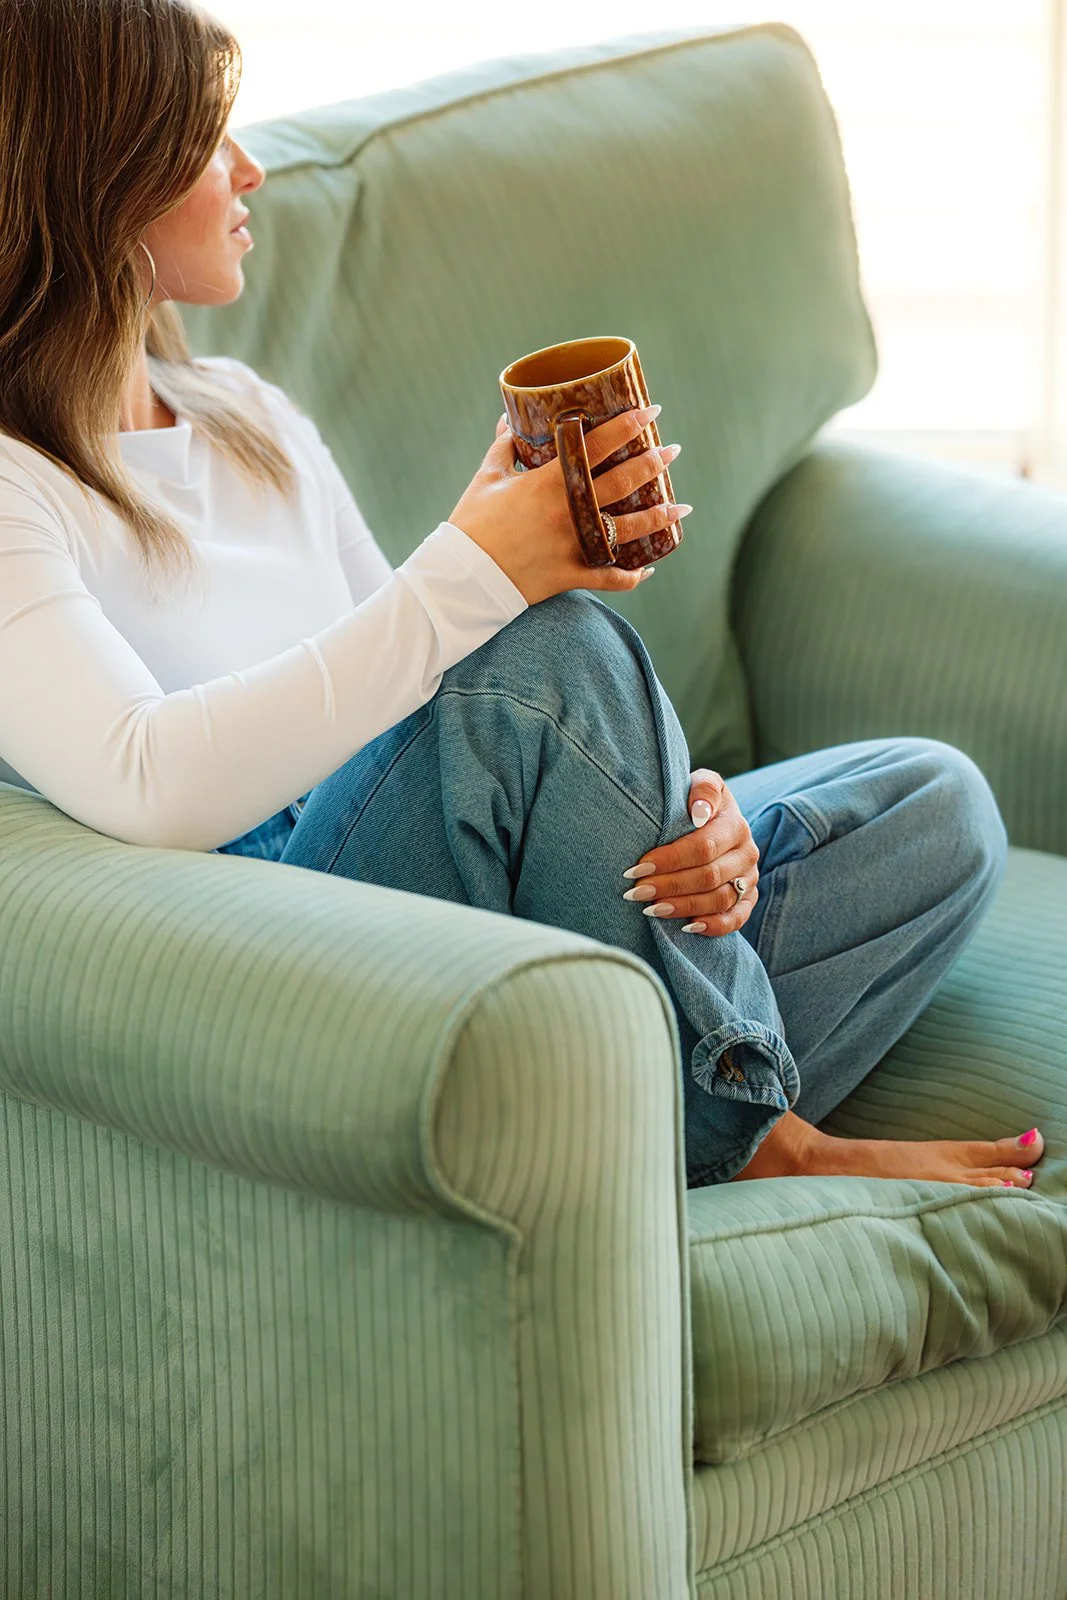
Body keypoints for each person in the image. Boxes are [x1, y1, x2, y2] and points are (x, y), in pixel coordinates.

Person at [0, 0, 1043, 1191]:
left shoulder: (249, 414)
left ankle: (618, 1109)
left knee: (934, 803)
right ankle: (755, 1137)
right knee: (549, 660)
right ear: (97, 185)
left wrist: (686, 828)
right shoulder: (11, 487)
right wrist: (476, 571)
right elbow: (149, 780)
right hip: (282, 943)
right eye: (204, 143)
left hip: (445, 894)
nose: (251, 168)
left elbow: (412, 697)